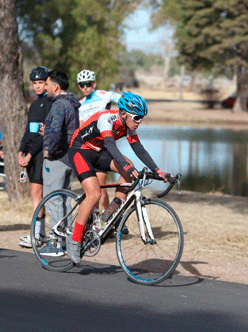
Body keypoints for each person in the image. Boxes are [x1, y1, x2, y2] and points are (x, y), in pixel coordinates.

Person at [66, 92, 169, 263]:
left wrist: (158, 171)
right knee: (94, 194)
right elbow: (112, 146)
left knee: (129, 167)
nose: (139, 122)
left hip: (98, 151)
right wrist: (127, 167)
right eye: (137, 118)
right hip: (80, 150)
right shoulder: (106, 119)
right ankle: (74, 240)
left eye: (142, 118)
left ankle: (111, 211)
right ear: (123, 114)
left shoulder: (129, 126)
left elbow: (139, 149)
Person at [38, 69, 80, 256]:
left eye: (47, 84)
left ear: (55, 86)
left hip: (58, 159)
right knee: (65, 200)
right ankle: (67, 241)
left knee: (53, 199)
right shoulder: (71, 104)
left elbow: (56, 133)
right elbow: (63, 130)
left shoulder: (58, 105)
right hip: (71, 158)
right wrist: (48, 132)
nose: (45, 87)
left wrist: (48, 150)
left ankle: (55, 243)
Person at [76, 69, 122, 216]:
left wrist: (118, 121)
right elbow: (81, 127)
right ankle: (96, 222)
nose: (85, 87)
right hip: (87, 149)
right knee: (93, 191)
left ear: (94, 83)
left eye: (88, 84)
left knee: (101, 190)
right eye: (81, 85)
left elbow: (124, 101)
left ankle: (109, 216)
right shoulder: (80, 104)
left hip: (103, 147)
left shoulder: (104, 95)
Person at [18, 66, 52, 248]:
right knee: (35, 196)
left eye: (41, 83)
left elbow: (43, 135)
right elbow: (28, 130)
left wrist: (30, 155)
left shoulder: (49, 104)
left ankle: (37, 235)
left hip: (40, 155)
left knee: (36, 196)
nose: (38, 86)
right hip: (30, 153)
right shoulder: (34, 104)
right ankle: (41, 234)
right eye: (35, 83)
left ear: (47, 84)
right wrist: (20, 151)